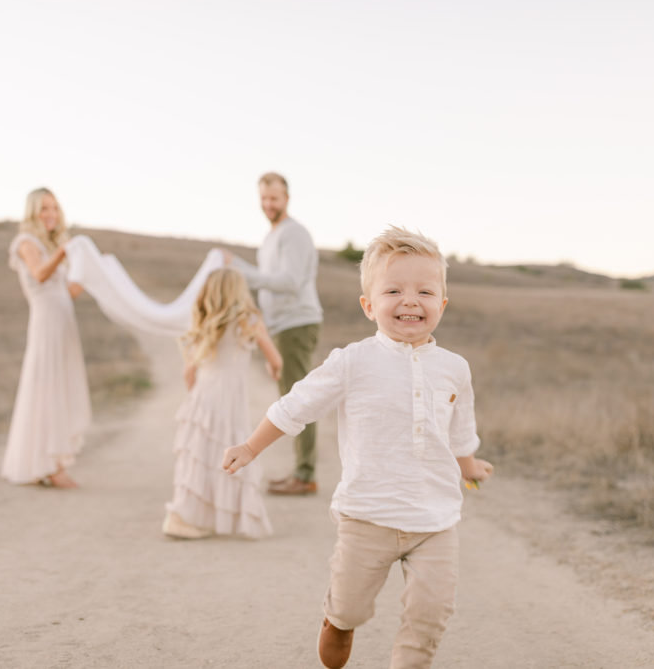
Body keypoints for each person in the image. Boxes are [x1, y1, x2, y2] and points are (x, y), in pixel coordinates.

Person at [222, 226, 494, 668]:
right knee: (350, 603)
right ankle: (338, 621)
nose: (410, 300)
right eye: (393, 290)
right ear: (369, 305)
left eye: (425, 290)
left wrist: (469, 465)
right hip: (368, 515)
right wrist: (252, 447)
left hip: (435, 519)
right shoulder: (353, 362)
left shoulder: (454, 369)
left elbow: (459, 430)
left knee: (431, 614)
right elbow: (296, 405)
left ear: (441, 304)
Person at [162, 268, 283, 540]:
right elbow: (275, 359)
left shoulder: (204, 320)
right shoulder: (249, 319)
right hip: (229, 399)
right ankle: (196, 517)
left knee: (198, 455)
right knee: (229, 453)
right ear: (239, 291)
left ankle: (185, 515)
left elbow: (188, 372)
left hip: (203, 394)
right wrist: (273, 370)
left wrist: (195, 397)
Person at [226, 172, 323, 495]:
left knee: (299, 401)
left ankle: (305, 475)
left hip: (297, 323)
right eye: (264, 199)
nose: (268, 205)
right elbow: (268, 286)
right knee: (290, 399)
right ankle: (300, 471)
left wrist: (241, 269)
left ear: (287, 198)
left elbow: (290, 282)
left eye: (274, 198)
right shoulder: (271, 237)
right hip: (281, 326)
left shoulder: (294, 234)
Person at [2, 188, 91, 488]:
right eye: (44, 209)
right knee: (47, 386)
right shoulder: (26, 243)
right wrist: (63, 252)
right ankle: (52, 467)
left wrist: (91, 271)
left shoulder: (52, 246)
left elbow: (70, 292)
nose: (50, 214)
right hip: (46, 324)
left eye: (54, 208)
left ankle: (45, 462)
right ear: (33, 213)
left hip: (63, 323)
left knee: (58, 385)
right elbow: (40, 274)